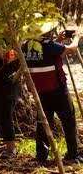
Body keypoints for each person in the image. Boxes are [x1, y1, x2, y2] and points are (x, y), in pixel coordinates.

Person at [22, 24, 83, 164]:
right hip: (58, 90)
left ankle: (41, 156)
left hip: (40, 91)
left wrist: (58, 41)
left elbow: (47, 53)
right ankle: (72, 154)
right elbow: (71, 50)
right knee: (68, 120)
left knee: (43, 122)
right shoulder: (50, 45)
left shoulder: (26, 47)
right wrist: (77, 37)